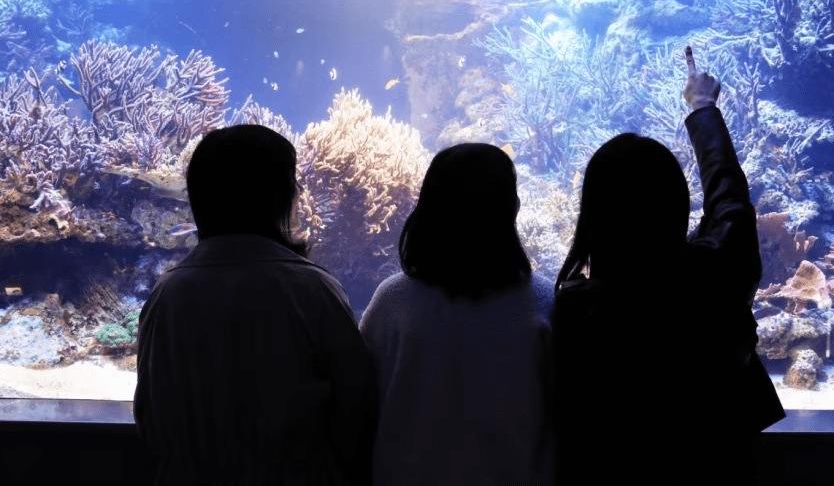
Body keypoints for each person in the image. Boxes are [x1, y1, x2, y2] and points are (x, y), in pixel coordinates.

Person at [552, 47, 785, 484]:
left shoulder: (573, 310)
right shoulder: (713, 278)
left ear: (594, 217)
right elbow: (730, 201)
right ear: (676, 206)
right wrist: (703, 109)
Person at [134, 124, 377, 485]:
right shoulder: (312, 289)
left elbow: (150, 418)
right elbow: (359, 410)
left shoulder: (166, 296)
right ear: (278, 198)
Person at [359, 143, 555, 486]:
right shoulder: (544, 303)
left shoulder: (391, 303)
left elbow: (357, 411)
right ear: (511, 209)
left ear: (428, 210)